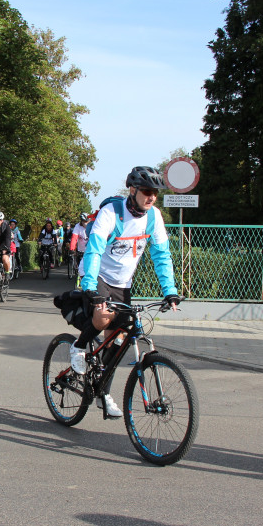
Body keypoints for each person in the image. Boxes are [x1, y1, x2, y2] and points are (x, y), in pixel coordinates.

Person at [70, 167, 180, 418]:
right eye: (147, 192)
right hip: (96, 274)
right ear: (133, 190)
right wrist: (89, 286)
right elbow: (95, 249)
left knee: (118, 340)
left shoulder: (154, 217)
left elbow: (161, 255)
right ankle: (78, 345)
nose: (152, 197)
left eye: (156, 193)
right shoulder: (112, 212)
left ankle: (103, 393)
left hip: (122, 282)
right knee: (103, 316)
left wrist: (170, 291)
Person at [70, 212, 89, 282]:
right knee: (80, 267)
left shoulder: (92, 225)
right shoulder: (77, 226)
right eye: (84, 221)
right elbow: (74, 238)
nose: (86, 223)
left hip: (90, 250)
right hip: (81, 250)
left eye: (87, 221)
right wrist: (72, 248)